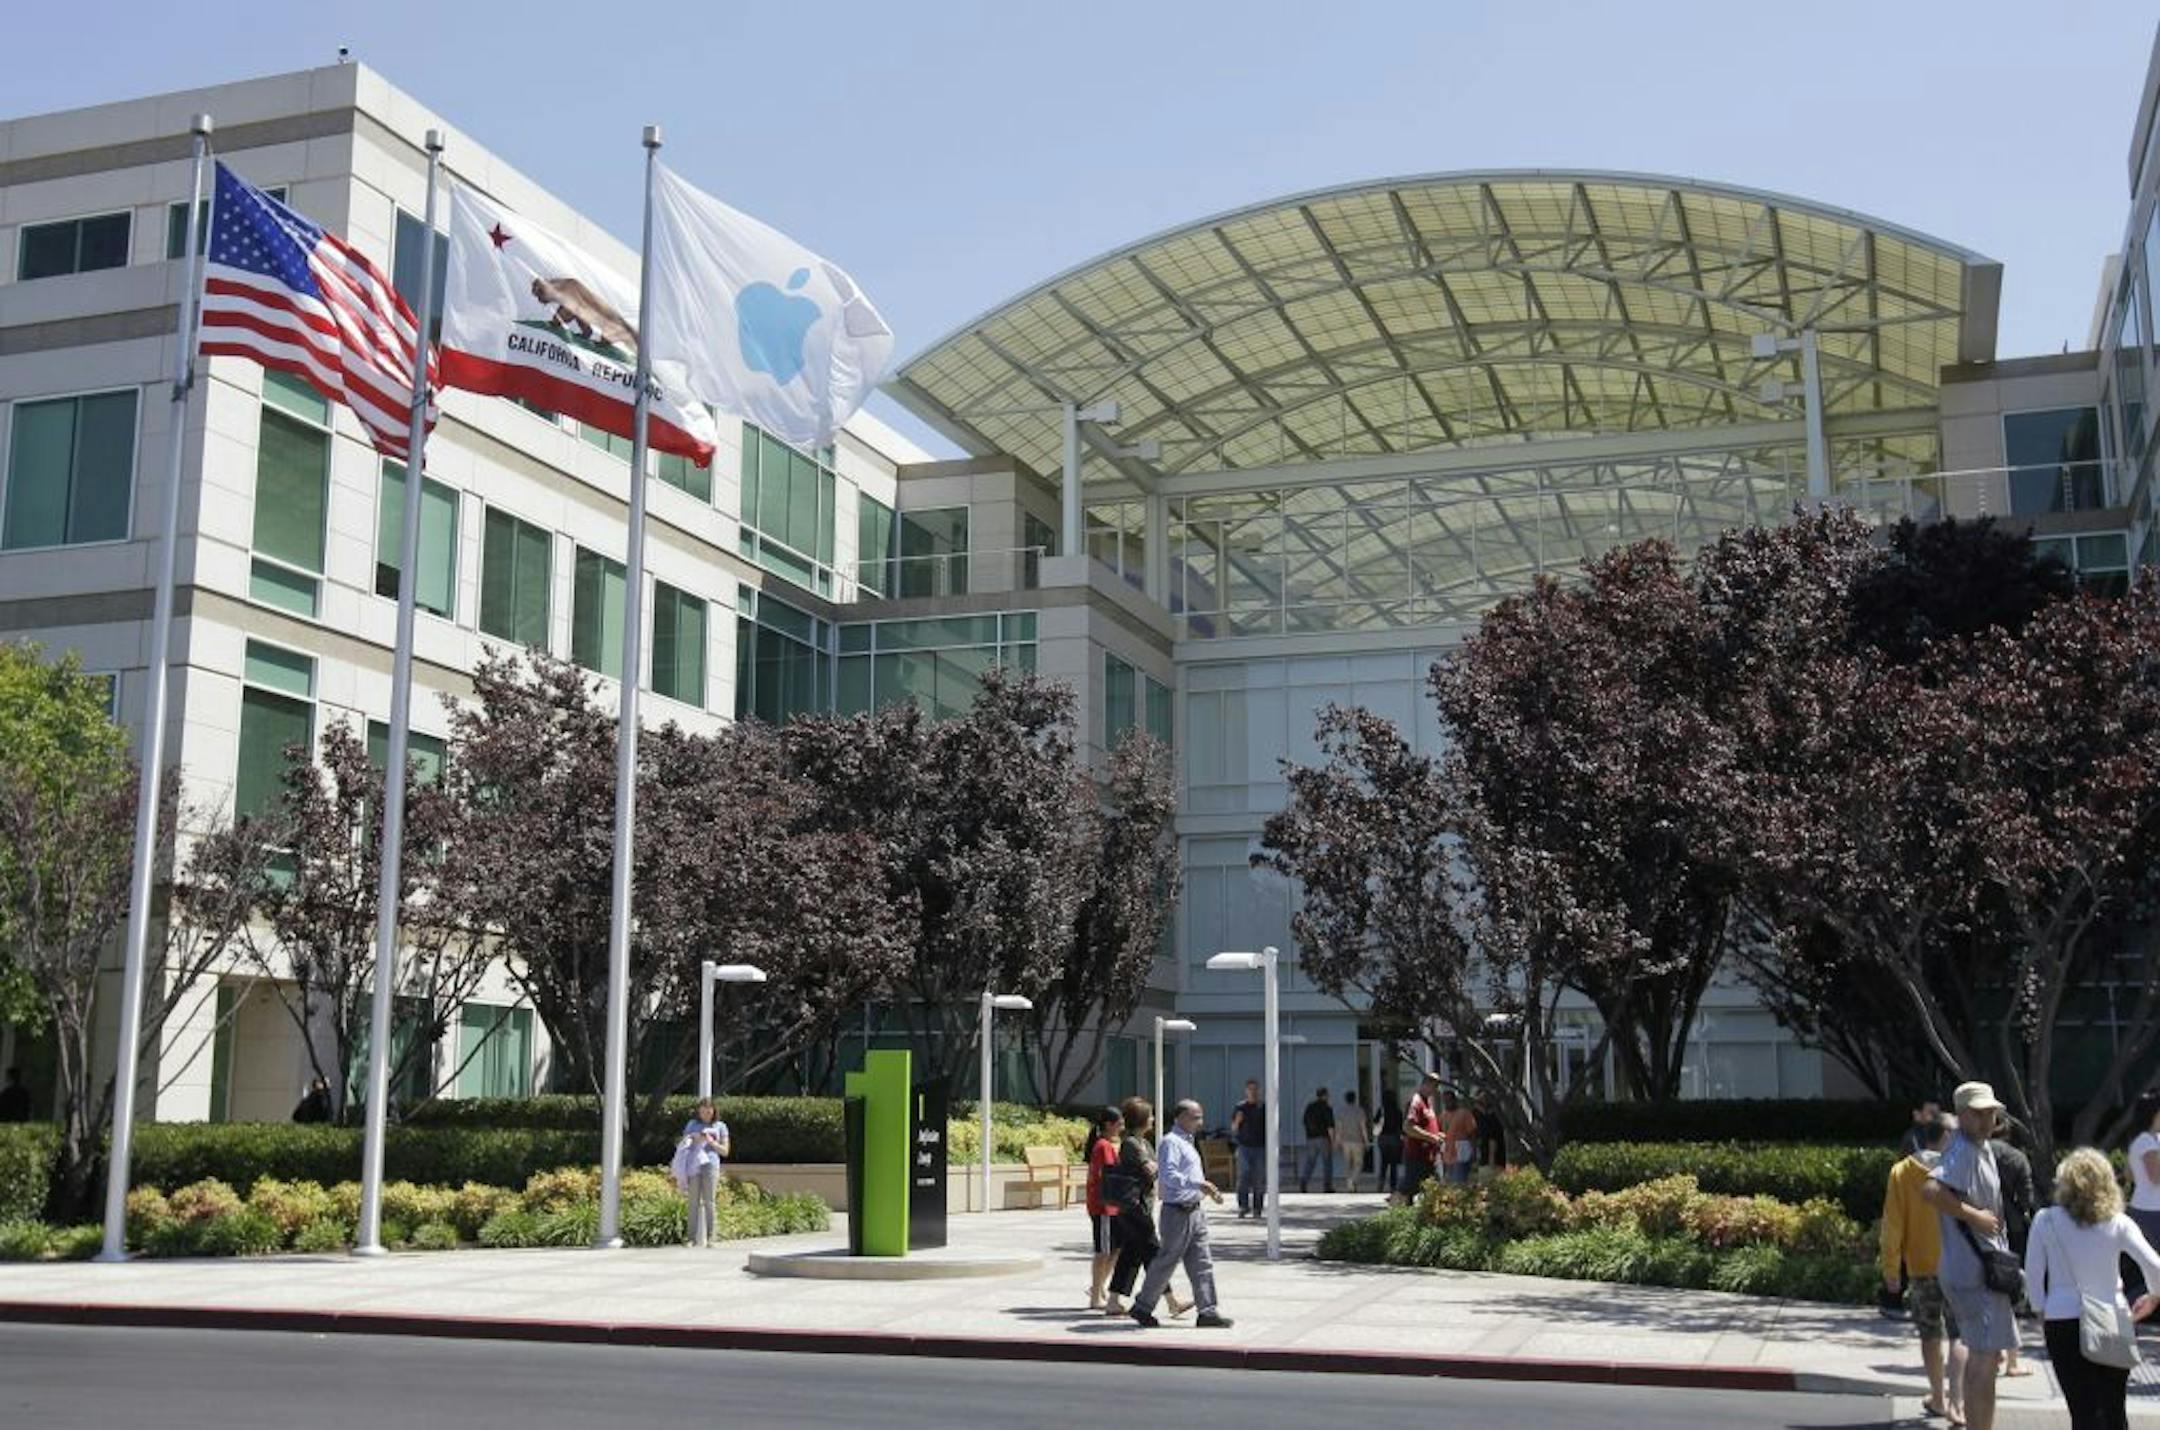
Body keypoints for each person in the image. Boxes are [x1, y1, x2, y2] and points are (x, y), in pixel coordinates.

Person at [2023, 1147, 2160, 1430]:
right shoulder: (2119, 1223)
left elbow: (2034, 1276)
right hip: (2112, 1316)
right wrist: (2153, 1296)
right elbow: (2155, 1266)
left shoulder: (2045, 1220)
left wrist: (2040, 1310)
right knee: (2113, 1409)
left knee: (2083, 1411)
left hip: (2062, 1319)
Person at [1920, 1081, 2022, 1430]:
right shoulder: (1962, 1150)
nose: (1986, 1119)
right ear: (1961, 1115)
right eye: (1978, 1113)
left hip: (1975, 1267)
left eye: (1990, 1112)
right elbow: (1931, 1189)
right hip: (1974, 1269)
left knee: (1984, 1354)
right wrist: (1973, 1215)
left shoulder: (1979, 1148)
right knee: (1984, 1356)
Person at [1882, 1111, 1967, 1426]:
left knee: (1930, 1333)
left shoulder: (1902, 1173)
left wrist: (1892, 1268)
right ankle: (1958, 1400)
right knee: (1961, 1333)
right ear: (1944, 1136)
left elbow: (1893, 1224)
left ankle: (1939, 1398)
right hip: (1960, 1265)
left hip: (1921, 1267)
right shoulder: (1960, 1168)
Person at [1129, 1098, 1231, 1329]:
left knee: (1202, 1262)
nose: (1200, 1122)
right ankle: (1143, 1306)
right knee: (1167, 1261)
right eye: (1195, 1117)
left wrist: (1205, 1191)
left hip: (1195, 1211)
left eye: (1200, 1117)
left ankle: (1208, 1311)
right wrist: (1198, 1184)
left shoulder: (1188, 1142)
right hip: (1177, 1213)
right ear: (1180, 1118)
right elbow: (1168, 1176)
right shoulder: (1170, 1143)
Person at [1104, 1097, 1189, 1319]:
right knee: (1154, 1254)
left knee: (1130, 1256)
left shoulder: (1145, 1143)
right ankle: (1172, 1302)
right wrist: (1169, 1169)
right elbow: (1151, 1170)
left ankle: (1113, 1301)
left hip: (1141, 1206)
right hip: (1134, 1209)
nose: (1153, 1119)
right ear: (1142, 1119)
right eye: (1150, 1115)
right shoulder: (1131, 1143)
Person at [1988, 1118, 2037, 1380]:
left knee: (1988, 1289)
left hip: (1982, 1227)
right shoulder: (2018, 1158)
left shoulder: (1977, 1154)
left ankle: (1993, 1353)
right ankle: (2012, 1360)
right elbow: (2026, 1198)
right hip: (2013, 1228)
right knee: (2011, 1291)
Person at [1084, 1107, 1125, 1310]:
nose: (1122, 1128)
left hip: (1107, 1206)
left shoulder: (1103, 1145)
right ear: (1109, 1125)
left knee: (1115, 1250)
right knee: (1104, 1251)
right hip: (1104, 1207)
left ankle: (1098, 1287)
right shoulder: (1103, 1146)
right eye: (1119, 1124)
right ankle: (1095, 1294)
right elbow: (1109, 1175)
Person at [678, 1097, 729, 1248]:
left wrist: (712, 1142)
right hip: (694, 1165)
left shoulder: (720, 1126)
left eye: (709, 1109)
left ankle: (711, 1237)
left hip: (711, 1164)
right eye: (703, 1109)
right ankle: (691, 1238)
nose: (706, 1112)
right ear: (698, 1111)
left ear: (714, 1111)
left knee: (709, 1201)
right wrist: (694, 1138)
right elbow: (683, 1143)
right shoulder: (692, 1124)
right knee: (693, 1201)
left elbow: (725, 1151)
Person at [2124, 1091, 2160, 1298]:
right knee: (2150, 1263)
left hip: (2145, 1207)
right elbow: (2155, 1177)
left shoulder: (2146, 1140)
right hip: (2151, 1212)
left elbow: (2129, 1174)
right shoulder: (2146, 1141)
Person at [1401, 1073, 1442, 1200]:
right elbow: (1408, 1127)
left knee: (1433, 1191)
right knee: (1408, 1192)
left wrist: (1437, 1135)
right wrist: (1431, 1137)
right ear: (1426, 1084)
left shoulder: (1427, 1102)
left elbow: (1425, 1125)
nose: (1435, 1090)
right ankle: (1397, 1210)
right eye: (1434, 1086)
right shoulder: (1416, 1101)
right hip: (1416, 1156)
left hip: (1429, 1157)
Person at [1230, 1079, 1266, 1219]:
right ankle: (1243, 1206)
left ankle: (1257, 1208)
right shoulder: (1240, 1107)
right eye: (1250, 1089)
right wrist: (1237, 1121)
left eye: (1255, 1089)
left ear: (1259, 1090)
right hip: (1244, 1147)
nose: (1253, 1092)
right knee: (1243, 1176)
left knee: (1259, 1179)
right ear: (1246, 1091)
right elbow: (1233, 1129)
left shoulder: (1263, 1107)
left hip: (1260, 1147)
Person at [1298, 1087, 1336, 1194]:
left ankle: (1304, 1182)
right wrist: (1333, 1140)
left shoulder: (1310, 1107)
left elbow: (1304, 1121)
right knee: (1327, 1162)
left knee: (1310, 1161)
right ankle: (1327, 1186)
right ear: (1325, 1096)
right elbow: (1330, 1126)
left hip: (1311, 1138)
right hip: (1323, 1138)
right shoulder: (1327, 1108)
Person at [1438, 1090, 1478, 1185]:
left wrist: (1474, 1151)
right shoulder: (1442, 1116)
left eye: (1449, 1100)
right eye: (1445, 1101)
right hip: (1447, 1154)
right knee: (1448, 1183)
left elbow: (1472, 1133)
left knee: (1459, 1183)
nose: (1447, 1103)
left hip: (1461, 1152)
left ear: (1455, 1100)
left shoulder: (1464, 1113)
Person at [1336, 1090, 1372, 1193]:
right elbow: (1363, 1127)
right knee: (1358, 1163)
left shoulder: (1341, 1112)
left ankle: (1349, 1183)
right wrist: (1367, 1141)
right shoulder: (1360, 1111)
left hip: (1345, 1141)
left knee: (1348, 1164)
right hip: (1357, 1141)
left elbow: (1339, 1128)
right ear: (1355, 1099)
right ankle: (1353, 1180)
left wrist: (1337, 1141)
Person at [1375, 1086, 1405, 1196]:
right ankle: (1393, 1186)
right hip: (1394, 1138)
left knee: (1383, 1162)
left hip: (1383, 1138)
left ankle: (1380, 1185)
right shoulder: (1397, 1111)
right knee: (1393, 1164)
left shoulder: (1381, 1110)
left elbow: (1375, 1123)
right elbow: (1401, 1126)